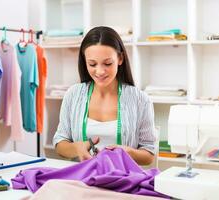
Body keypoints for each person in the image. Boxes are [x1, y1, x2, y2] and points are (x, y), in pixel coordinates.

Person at [53, 26, 156, 165]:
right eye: (92, 64)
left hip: (122, 181)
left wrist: (127, 153)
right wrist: (76, 148)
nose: (100, 71)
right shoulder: (73, 95)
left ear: (120, 59)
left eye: (107, 63)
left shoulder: (140, 99)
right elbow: (60, 143)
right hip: (83, 180)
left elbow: (149, 154)